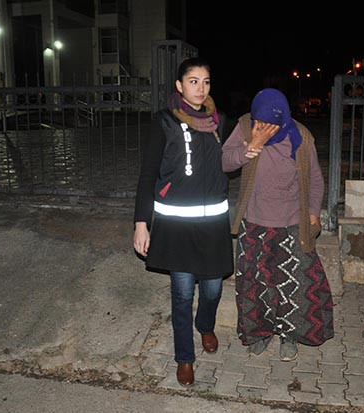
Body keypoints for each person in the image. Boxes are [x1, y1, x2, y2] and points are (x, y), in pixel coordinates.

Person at [133, 57, 234, 387]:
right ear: (179, 85)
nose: (200, 88)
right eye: (193, 81)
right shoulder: (164, 121)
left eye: (206, 82)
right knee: (182, 295)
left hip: (213, 225)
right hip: (176, 225)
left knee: (213, 290)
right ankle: (185, 359)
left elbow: (234, 161)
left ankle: (205, 324)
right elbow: (148, 174)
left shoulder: (220, 122)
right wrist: (141, 222)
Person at [221, 88, 334, 361]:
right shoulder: (245, 127)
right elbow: (224, 162)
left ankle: (289, 336)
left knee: (292, 284)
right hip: (254, 221)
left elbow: (315, 179)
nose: (265, 128)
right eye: (260, 122)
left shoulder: (301, 136)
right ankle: (258, 333)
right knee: (255, 285)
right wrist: (252, 145)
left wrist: (313, 212)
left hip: (291, 223)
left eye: (271, 123)